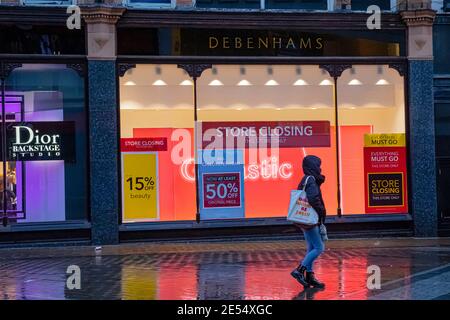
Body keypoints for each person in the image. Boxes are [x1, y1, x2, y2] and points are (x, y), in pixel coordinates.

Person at [290, 155, 326, 289]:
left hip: (305, 219)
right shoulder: (311, 180)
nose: (320, 168)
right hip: (310, 219)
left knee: (311, 248)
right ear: (313, 166)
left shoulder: (306, 179)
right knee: (319, 247)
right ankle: (299, 270)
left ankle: (309, 276)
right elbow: (312, 198)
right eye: (318, 165)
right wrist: (320, 212)